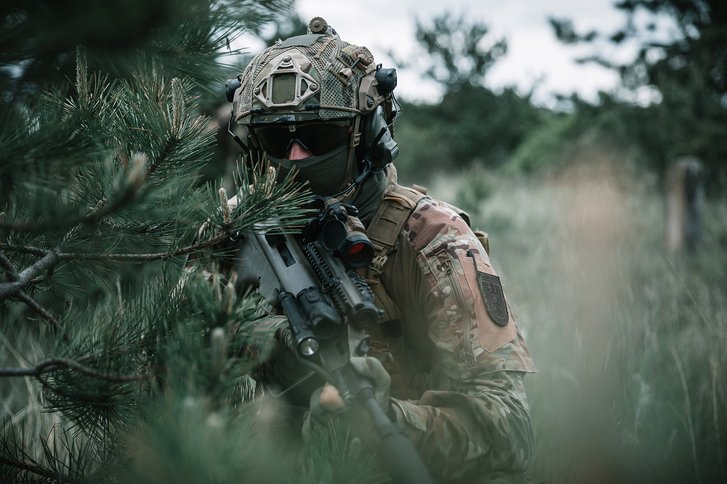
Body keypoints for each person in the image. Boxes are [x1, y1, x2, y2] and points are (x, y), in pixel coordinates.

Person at [227, 17, 537, 484]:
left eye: (319, 138)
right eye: (275, 139)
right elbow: (154, 380)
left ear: (367, 135)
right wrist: (261, 341)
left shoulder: (434, 240)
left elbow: (509, 430)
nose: (295, 157)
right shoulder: (234, 230)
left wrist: (392, 419)